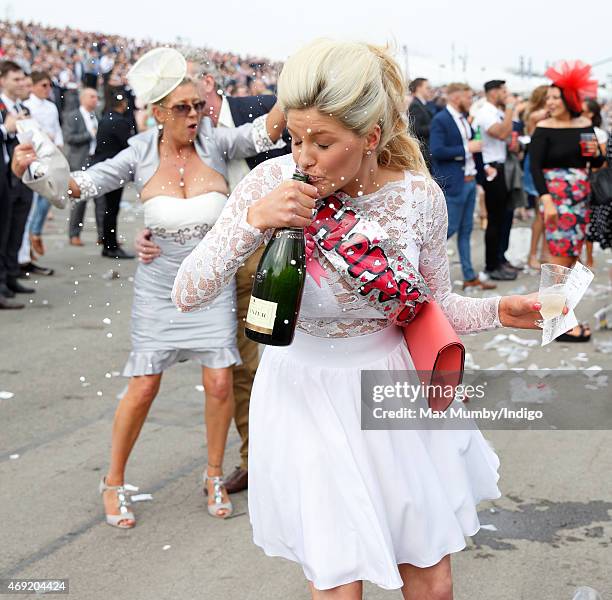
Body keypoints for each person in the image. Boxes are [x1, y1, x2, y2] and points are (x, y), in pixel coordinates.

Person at [172, 39, 548, 599]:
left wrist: (500, 310)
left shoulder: (418, 197)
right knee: (337, 582)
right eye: (296, 139)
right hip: (303, 391)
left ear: (371, 137)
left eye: (323, 143)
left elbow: (430, 307)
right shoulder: (269, 183)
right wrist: (254, 220)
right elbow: (188, 291)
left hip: (390, 387)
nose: (303, 157)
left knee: (433, 581)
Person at [13, 47, 287, 526]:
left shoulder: (218, 143)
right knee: (143, 386)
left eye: (197, 106)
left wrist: (299, 83)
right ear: (158, 112)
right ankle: (113, 481)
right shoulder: (139, 152)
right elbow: (79, 186)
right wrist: (35, 171)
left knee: (220, 381)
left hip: (209, 281)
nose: (193, 115)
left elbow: (264, 132)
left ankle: (214, 474)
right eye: (181, 108)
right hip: (159, 284)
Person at [136, 63, 291, 495]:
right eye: (175, 96)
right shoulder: (182, 134)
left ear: (207, 83)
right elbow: (159, 187)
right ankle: (253, 460)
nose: (190, 107)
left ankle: (291, 458)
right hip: (214, 262)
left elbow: (278, 136)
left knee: (274, 355)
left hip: (263, 258)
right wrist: (149, 228)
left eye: (191, 93)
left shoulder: (254, 110)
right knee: (233, 369)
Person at [530, 60, 603, 343]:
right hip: (557, 200)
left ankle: (559, 317)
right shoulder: (543, 127)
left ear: (569, 100)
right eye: (547, 97)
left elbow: (595, 161)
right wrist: (546, 201)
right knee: (558, 260)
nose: (549, 102)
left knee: (570, 260)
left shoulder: (584, 124)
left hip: (579, 200)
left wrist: (595, 150)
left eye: (554, 97)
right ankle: (555, 322)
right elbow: (535, 168)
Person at [430, 82, 495, 291]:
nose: (471, 102)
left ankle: (469, 276)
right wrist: (467, 148)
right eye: (468, 98)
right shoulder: (441, 120)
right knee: (449, 230)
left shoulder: (465, 120)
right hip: (454, 184)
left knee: (466, 230)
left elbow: (473, 151)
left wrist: (482, 168)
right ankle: (424, 270)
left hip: (470, 180)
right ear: (456, 98)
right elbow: (437, 151)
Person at [473, 80, 519, 281]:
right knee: (495, 219)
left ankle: (500, 258)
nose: (506, 94)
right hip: (492, 170)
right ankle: (492, 265)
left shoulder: (496, 111)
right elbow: (501, 133)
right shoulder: (486, 112)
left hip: (503, 166)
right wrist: (510, 107)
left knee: (505, 217)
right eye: (503, 90)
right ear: (493, 92)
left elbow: (508, 135)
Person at [0, 60, 35, 302]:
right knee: (2, 232)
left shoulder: (23, 107)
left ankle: (11, 275)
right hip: (4, 176)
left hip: (22, 177)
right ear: (2, 80)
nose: (22, 83)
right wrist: (6, 128)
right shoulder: (2, 108)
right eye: (16, 79)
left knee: (16, 229)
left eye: (23, 79)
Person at [22, 70, 63, 261]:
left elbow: (57, 129)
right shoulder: (26, 106)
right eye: (43, 85)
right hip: (33, 157)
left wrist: (59, 145)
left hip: (49, 156)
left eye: (49, 86)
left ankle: (35, 233)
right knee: (31, 202)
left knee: (47, 196)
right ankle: (29, 241)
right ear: (34, 86)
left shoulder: (52, 107)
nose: (47, 89)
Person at [92, 89, 136, 259]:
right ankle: (110, 245)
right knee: (112, 208)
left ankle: (107, 241)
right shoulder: (121, 122)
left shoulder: (105, 119)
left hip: (102, 165)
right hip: (115, 169)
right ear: (123, 104)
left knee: (106, 208)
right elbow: (129, 146)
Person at [64, 87, 104, 246]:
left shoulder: (97, 115)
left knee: (101, 201)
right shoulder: (73, 116)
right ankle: (74, 234)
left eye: (96, 97)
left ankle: (103, 235)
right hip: (80, 161)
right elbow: (69, 137)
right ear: (83, 99)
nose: (95, 100)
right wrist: (89, 135)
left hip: (96, 160)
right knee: (79, 200)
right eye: (92, 97)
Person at [523, 85, 550, 269]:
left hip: (549, 165)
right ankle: (533, 254)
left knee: (548, 214)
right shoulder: (536, 116)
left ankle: (544, 252)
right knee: (541, 214)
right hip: (537, 165)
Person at [407, 77, 433, 168]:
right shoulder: (415, 105)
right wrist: (435, 127)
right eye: (427, 88)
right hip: (423, 151)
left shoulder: (421, 104)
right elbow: (415, 129)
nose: (430, 90)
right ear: (418, 88)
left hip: (426, 149)